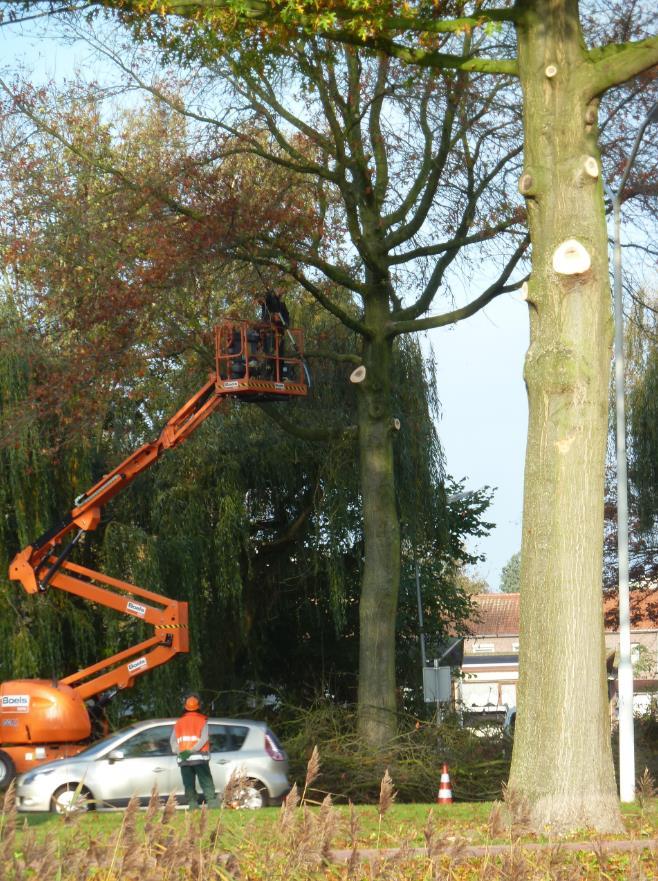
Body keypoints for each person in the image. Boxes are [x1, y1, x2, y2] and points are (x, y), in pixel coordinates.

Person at [170, 694, 218, 809]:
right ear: (198, 706)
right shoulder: (202, 721)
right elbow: (204, 739)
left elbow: (173, 741)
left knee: (188, 784)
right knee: (206, 781)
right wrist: (192, 751)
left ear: (185, 707)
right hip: (200, 758)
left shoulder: (179, 723)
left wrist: (180, 752)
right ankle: (212, 803)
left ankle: (192, 806)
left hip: (184, 759)